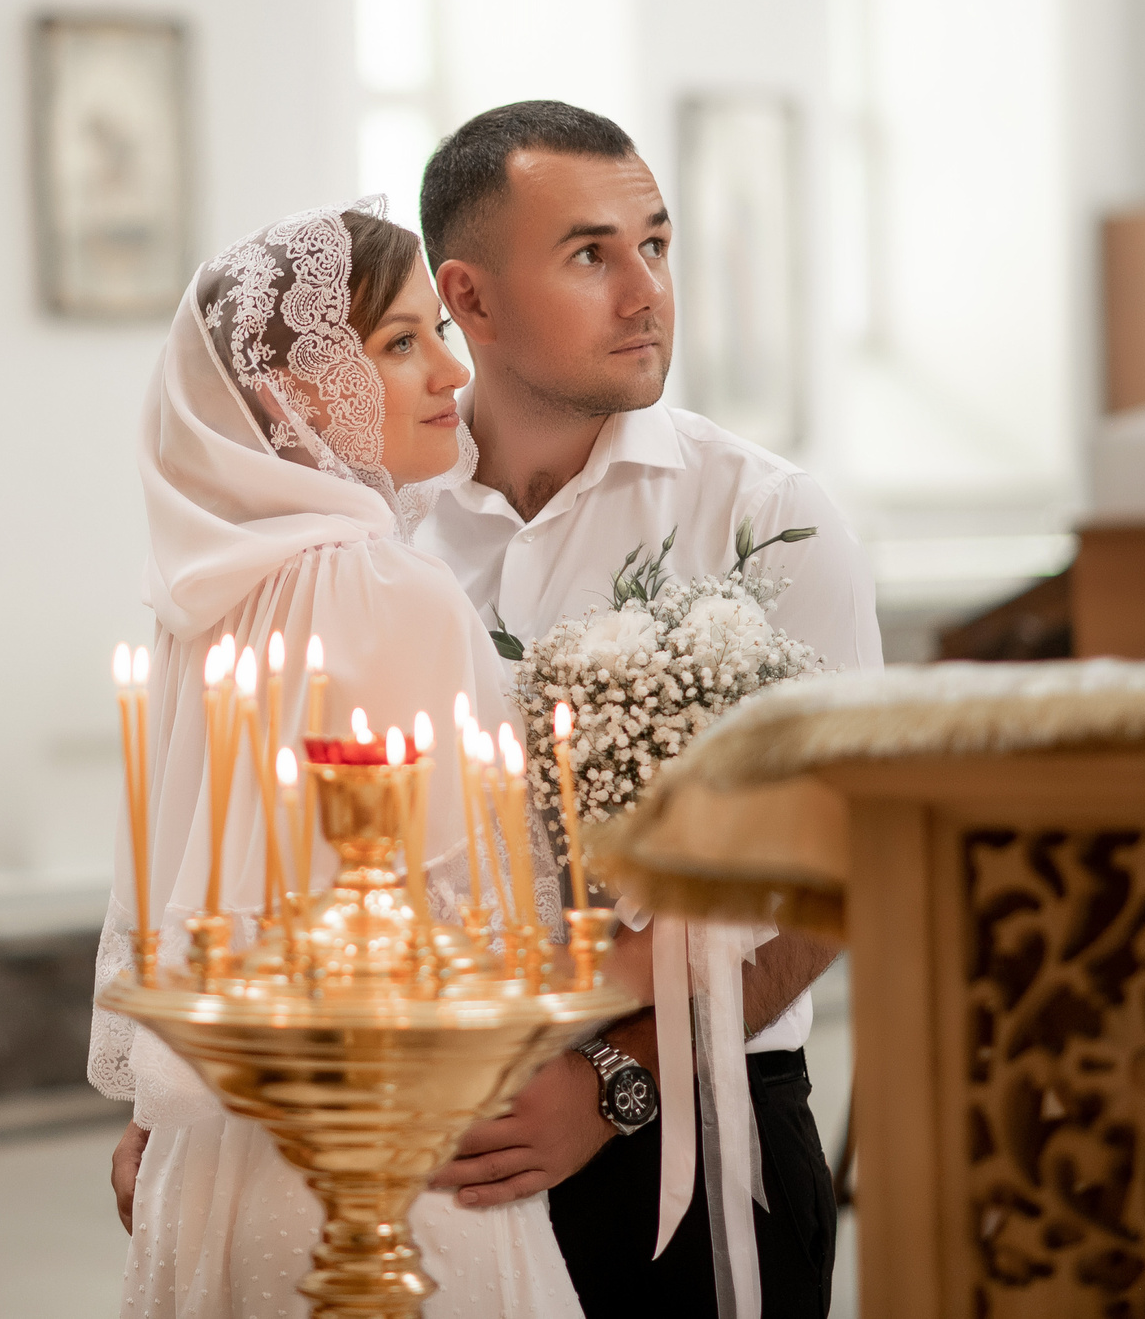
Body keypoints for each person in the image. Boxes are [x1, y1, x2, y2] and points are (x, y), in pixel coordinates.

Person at [411, 100, 882, 1318]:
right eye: (590, 254)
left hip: (708, 1129)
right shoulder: (380, 528)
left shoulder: (766, 520)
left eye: (656, 245)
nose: (646, 292)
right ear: (467, 298)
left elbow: (845, 868)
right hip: (428, 1150)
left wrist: (621, 1082)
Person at [94, 199, 585, 1318]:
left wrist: (153, 1109)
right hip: (389, 1144)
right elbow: (466, 905)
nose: (450, 375)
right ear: (287, 391)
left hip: (212, 1150)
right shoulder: (380, 585)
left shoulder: (199, 599)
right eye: (400, 343)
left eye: (438, 336)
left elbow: (184, 892)